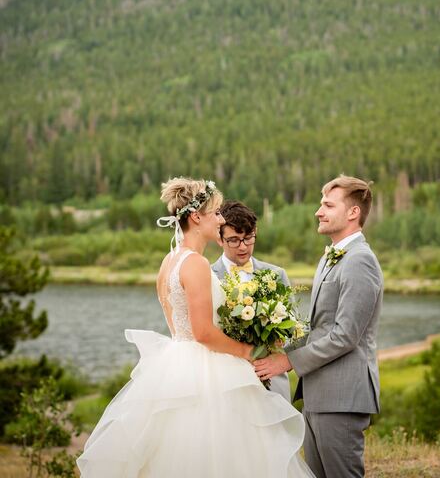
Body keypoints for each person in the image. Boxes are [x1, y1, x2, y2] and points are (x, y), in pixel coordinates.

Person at [77, 177, 315, 478]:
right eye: (216, 212)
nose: (220, 219)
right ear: (196, 217)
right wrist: (247, 351)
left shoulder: (170, 260)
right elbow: (202, 332)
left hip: (176, 364)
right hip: (203, 370)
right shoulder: (197, 264)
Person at [254, 175, 383, 478]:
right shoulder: (332, 257)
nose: (318, 211)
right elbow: (321, 327)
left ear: (353, 213)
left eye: (327, 204)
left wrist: (287, 361)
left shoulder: (360, 260)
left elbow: (345, 336)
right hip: (318, 393)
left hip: (342, 395)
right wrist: (276, 349)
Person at [211, 199, 292, 401]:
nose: (243, 247)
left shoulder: (276, 274)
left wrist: (279, 341)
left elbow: (293, 330)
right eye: (234, 240)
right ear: (219, 239)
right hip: (223, 382)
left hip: (270, 381)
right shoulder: (207, 277)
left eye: (248, 238)